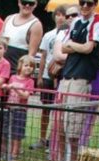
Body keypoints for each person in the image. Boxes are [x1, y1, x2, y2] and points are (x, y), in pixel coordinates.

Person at [55, 0, 99, 160]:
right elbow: (63, 48)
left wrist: (73, 45)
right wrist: (78, 46)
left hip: (81, 78)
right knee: (60, 122)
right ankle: (61, 160)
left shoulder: (97, 21)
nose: (85, 6)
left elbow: (88, 48)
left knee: (74, 127)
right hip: (67, 76)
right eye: (82, 2)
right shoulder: (76, 22)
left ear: (95, 5)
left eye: (89, 3)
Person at [34, 6, 71, 149]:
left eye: (64, 15)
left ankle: (53, 139)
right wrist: (40, 76)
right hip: (47, 75)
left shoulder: (70, 35)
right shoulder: (48, 35)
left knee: (59, 110)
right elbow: (43, 56)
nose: (60, 18)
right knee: (46, 108)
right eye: (58, 14)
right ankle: (42, 138)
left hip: (62, 74)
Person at [6, 55, 35, 161]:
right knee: (9, 129)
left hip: (20, 109)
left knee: (17, 132)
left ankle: (15, 153)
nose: (29, 68)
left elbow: (26, 96)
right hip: (10, 107)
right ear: (20, 66)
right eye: (26, 65)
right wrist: (6, 87)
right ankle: (8, 151)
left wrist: (16, 89)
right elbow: (8, 89)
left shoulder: (30, 81)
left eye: (31, 66)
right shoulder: (12, 78)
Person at [1, 0, 42, 72]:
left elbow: (31, 54)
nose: (27, 5)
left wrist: (23, 73)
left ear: (35, 5)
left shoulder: (36, 25)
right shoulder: (9, 18)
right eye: (24, 2)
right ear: (19, 2)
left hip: (17, 68)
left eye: (31, 3)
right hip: (1, 66)